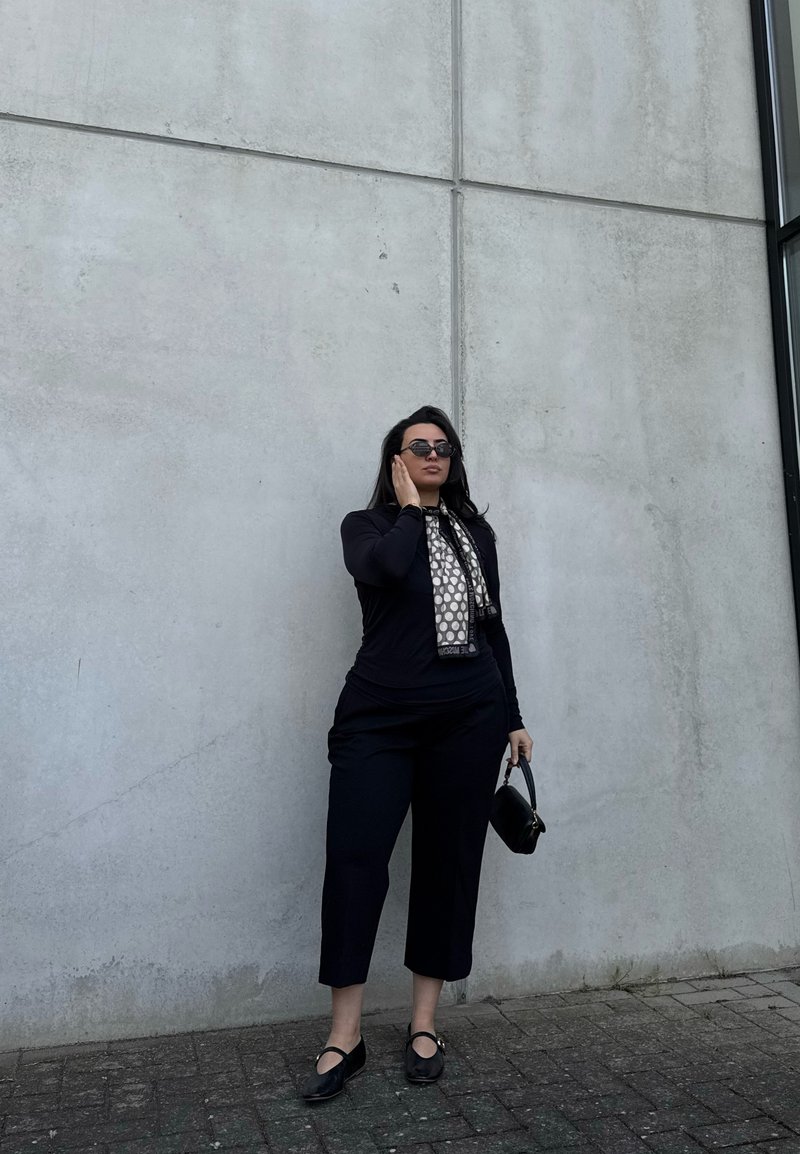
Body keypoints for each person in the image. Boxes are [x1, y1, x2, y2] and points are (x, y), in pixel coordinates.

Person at [301, 404, 533, 1102]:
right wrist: (411, 511)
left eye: (443, 446)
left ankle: (424, 1024)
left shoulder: (476, 533)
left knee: (447, 862)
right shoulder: (367, 527)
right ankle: (345, 1035)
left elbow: (493, 628)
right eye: (418, 446)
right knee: (355, 862)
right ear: (396, 460)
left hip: (470, 717)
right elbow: (387, 569)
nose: (434, 454)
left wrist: (514, 718)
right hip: (379, 718)